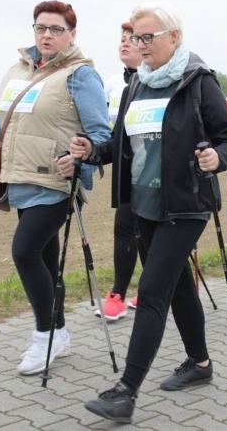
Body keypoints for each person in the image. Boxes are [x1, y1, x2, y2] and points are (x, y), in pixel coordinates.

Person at [76, 2, 227, 424]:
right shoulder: (136, 85)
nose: (139, 45)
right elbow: (120, 146)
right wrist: (91, 151)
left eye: (147, 37)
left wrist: (215, 159)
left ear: (174, 37)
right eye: (135, 38)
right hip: (144, 204)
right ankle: (200, 365)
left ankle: (125, 391)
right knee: (179, 285)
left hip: (185, 205)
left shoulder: (198, 82)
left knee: (151, 294)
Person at [0, 0, 110, 375]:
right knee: (45, 260)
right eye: (41, 27)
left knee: (24, 253)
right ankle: (59, 333)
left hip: (57, 180)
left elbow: (100, 133)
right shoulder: (18, 70)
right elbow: (4, 118)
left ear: (72, 33)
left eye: (56, 29)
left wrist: (81, 153)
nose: (47, 35)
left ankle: (45, 336)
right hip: (19, 175)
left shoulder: (80, 75)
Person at [95, 22, 146, 320]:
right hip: (123, 168)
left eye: (131, 40)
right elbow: (104, 129)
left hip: (151, 169)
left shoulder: (156, 81)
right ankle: (118, 293)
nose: (124, 44)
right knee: (124, 227)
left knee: (147, 233)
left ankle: (153, 289)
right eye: (122, 40)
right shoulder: (114, 83)